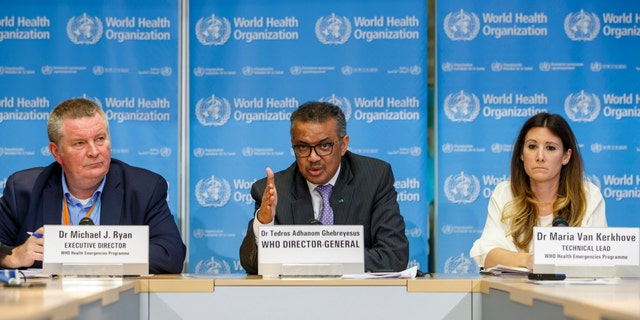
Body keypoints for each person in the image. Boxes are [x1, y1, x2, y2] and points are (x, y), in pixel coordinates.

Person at [0, 98, 186, 274]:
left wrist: (94, 253)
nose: (94, 151)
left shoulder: (144, 188)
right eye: (80, 143)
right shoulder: (25, 189)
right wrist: (14, 256)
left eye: (100, 139)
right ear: (57, 152)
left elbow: (171, 253)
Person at [239, 101, 409, 274]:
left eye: (324, 146)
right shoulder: (273, 190)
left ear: (343, 145)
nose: (313, 157)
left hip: (357, 297)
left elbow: (394, 257)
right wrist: (264, 223)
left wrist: (322, 255)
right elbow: (251, 265)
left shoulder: (374, 178)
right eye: (303, 147)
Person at [470, 112, 607, 270]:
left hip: (572, 292)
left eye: (550, 148)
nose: (540, 156)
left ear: (566, 156)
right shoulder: (505, 194)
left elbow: (599, 259)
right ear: (522, 153)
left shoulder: (588, 196)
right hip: (513, 292)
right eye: (532, 146)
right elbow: (487, 255)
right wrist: (529, 260)